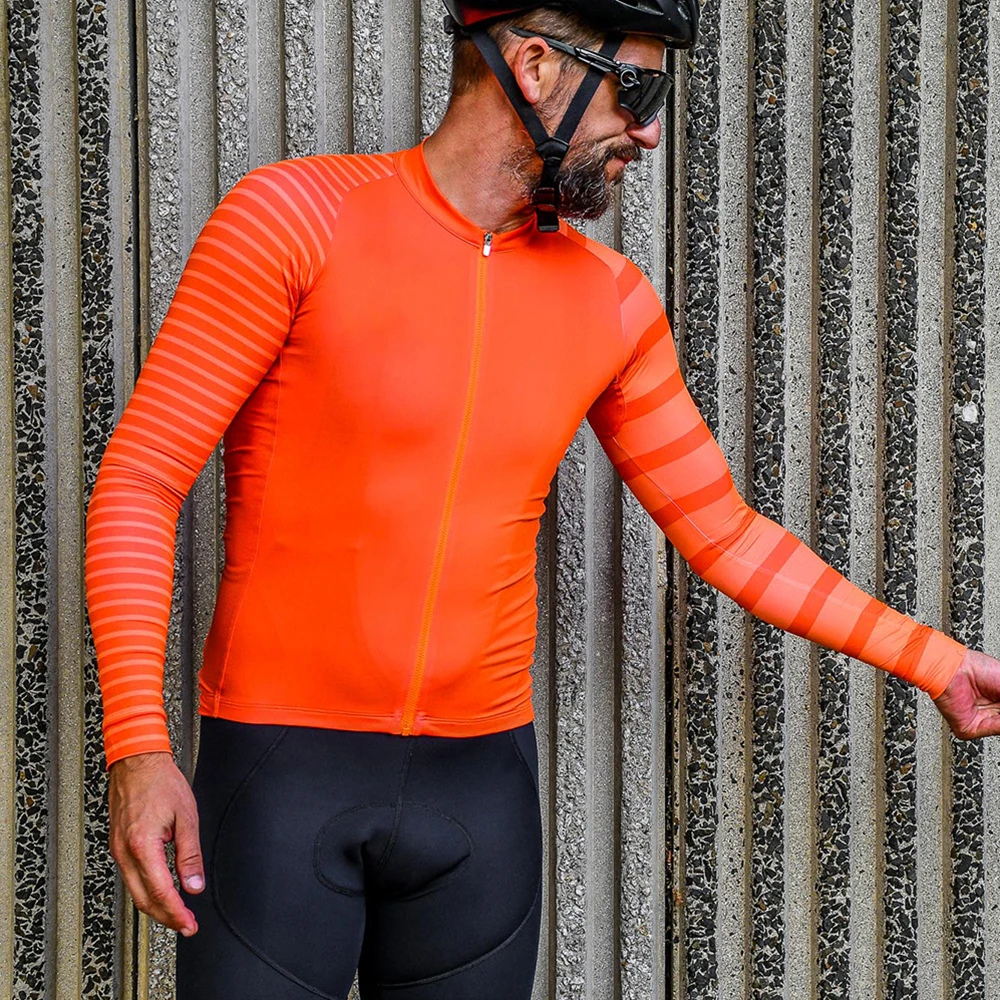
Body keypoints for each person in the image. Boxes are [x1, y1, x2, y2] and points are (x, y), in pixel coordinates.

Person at [86, 0, 1000, 996]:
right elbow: (142, 480)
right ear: (532, 65)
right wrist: (137, 747)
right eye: (637, 91)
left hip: (480, 803)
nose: (648, 132)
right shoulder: (295, 217)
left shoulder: (611, 300)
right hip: (280, 779)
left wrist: (938, 661)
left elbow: (726, 534)